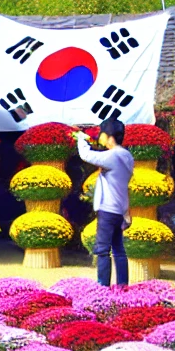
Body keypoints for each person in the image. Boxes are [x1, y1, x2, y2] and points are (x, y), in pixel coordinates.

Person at [75, 118, 134, 287]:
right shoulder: (127, 156)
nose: (99, 137)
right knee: (119, 251)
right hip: (119, 210)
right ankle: (122, 286)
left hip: (108, 210)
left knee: (102, 250)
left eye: (102, 134)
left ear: (109, 137)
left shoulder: (113, 156)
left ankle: (103, 288)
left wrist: (80, 137)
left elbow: (86, 155)